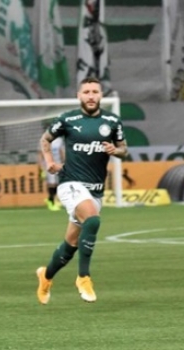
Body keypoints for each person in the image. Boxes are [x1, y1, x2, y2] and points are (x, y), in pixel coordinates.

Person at [35, 76, 128, 304]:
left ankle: (45, 277)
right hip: (71, 184)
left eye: (94, 91)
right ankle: (83, 277)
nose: (90, 96)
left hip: (96, 190)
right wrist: (49, 162)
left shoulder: (112, 121)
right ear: (79, 96)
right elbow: (45, 140)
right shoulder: (67, 119)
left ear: (100, 95)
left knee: (70, 246)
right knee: (93, 221)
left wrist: (115, 151)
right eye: (86, 92)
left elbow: (124, 149)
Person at [36, 131, 64, 211]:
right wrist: (41, 166)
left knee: (58, 184)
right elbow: (40, 153)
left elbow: (61, 152)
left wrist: (64, 162)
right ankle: (51, 201)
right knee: (52, 184)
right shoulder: (44, 139)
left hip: (58, 164)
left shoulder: (59, 140)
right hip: (49, 165)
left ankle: (54, 200)